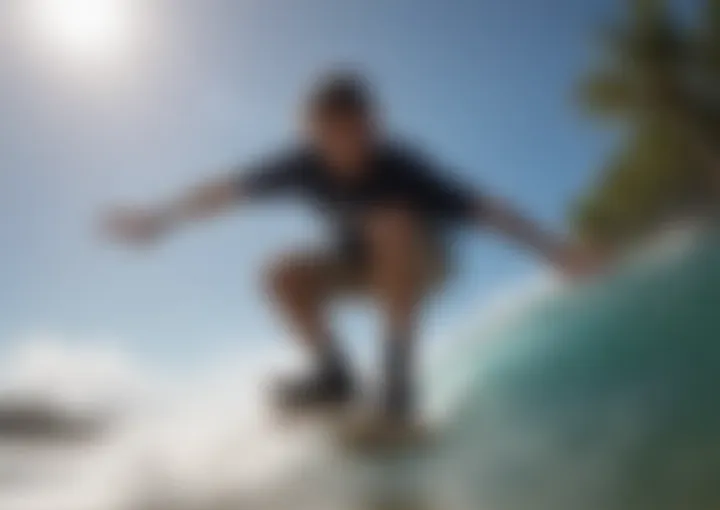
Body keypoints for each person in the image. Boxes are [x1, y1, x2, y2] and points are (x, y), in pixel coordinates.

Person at [105, 73, 597, 443]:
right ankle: (335, 376)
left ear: (374, 124)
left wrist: (554, 250)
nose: (352, 145)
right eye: (335, 134)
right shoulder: (300, 165)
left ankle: (398, 379)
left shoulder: (402, 165)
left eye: (361, 131)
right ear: (313, 134)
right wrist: (159, 220)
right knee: (280, 273)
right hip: (361, 268)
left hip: (422, 262)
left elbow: (487, 210)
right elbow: (224, 192)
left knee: (390, 222)